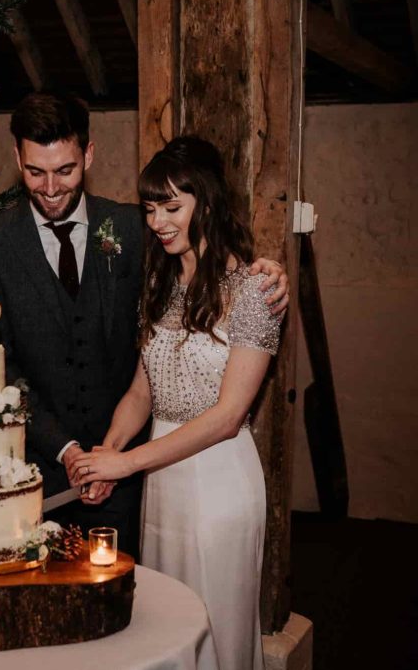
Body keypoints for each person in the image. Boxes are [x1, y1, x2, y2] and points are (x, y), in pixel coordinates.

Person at [0, 92, 288, 558]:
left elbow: (209, 252)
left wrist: (269, 268)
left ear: (89, 155)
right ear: (17, 157)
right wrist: (70, 451)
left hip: (136, 478)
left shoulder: (136, 227)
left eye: (65, 170)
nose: (51, 187)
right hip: (41, 468)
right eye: (35, 172)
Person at [69, 135, 283, 670]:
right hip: (163, 477)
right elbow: (144, 391)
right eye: (150, 208)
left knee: (218, 623)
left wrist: (128, 461)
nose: (158, 221)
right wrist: (108, 454)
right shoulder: (162, 283)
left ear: (206, 203)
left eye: (172, 207)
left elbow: (230, 416)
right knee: (169, 624)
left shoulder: (253, 290)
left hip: (219, 481)